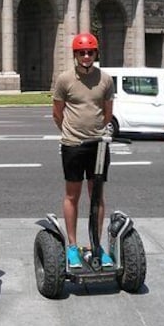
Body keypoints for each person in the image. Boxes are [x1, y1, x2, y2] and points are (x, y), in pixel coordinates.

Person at [52, 32, 115, 268]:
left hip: (98, 144)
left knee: (97, 195)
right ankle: (71, 245)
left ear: (95, 54)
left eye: (90, 52)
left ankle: (96, 245)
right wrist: (71, 132)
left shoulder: (106, 80)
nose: (86, 56)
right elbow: (57, 112)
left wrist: (97, 132)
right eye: (82, 53)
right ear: (75, 55)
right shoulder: (65, 79)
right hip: (73, 145)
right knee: (72, 195)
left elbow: (108, 112)